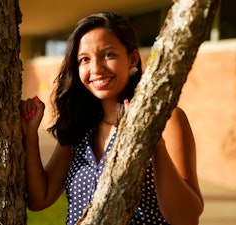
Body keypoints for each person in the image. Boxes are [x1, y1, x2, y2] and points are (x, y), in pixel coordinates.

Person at [20, 12, 203, 225]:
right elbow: (40, 198)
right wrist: (30, 133)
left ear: (132, 58)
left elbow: (187, 219)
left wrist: (150, 137)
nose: (96, 68)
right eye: (84, 59)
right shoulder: (81, 125)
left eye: (108, 55)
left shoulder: (167, 119)